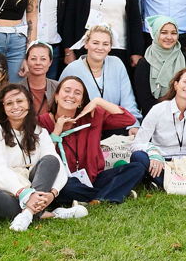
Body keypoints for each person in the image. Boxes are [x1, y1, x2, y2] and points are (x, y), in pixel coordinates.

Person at [0, 84, 72, 230]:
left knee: (50, 160)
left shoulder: (40, 132)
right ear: (3, 107)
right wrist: (24, 193)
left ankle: (28, 214)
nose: (15, 106)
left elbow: (57, 165)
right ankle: (50, 214)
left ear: (29, 104)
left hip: (31, 187)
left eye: (20, 101)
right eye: (9, 103)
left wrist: (52, 194)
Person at [40, 76, 153, 207]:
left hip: (93, 178)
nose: (71, 96)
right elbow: (44, 157)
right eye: (67, 90)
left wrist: (98, 101)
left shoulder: (93, 116)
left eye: (77, 93)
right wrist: (56, 131)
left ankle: (92, 198)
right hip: (65, 181)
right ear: (56, 96)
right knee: (65, 188)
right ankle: (110, 194)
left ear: (81, 101)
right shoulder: (43, 122)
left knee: (137, 168)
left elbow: (128, 119)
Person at [132, 16, 186, 114]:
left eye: (173, 33)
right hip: (154, 118)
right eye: (164, 32)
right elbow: (144, 100)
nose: (169, 37)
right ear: (156, 33)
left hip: (185, 116)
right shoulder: (145, 63)